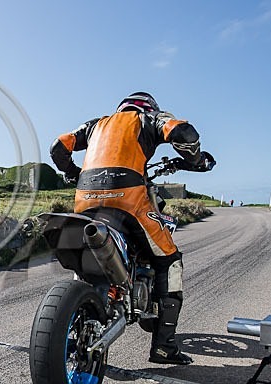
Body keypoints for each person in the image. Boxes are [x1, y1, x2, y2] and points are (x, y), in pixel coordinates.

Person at [50, 92, 214, 365]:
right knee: (170, 260)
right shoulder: (148, 119)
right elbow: (183, 133)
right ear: (148, 107)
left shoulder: (95, 126)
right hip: (128, 202)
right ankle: (164, 347)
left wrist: (72, 172)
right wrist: (196, 161)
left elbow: (58, 146)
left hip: (85, 204)